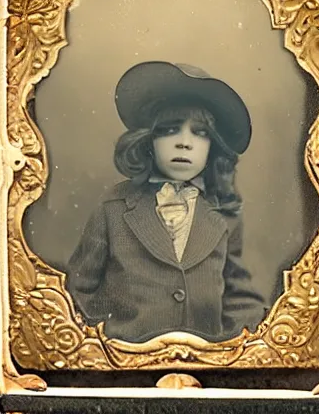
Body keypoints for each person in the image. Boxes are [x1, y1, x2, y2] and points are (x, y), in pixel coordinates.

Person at [67, 61, 265, 342]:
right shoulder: (113, 207)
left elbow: (241, 297)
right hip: (127, 364)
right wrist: (108, 346)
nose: (184, 143)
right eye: (170, 130)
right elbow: (79, 292)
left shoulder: (224, 213)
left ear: (214, 147)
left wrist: (227, 351)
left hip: (204, 366)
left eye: (200, 133)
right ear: (148, 141)